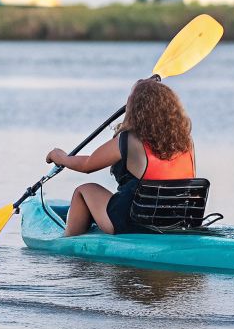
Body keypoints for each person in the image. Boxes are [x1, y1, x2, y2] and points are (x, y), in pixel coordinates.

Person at [45, 77, 196, 237]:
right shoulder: (186, 141)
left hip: (134, 222)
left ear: (135, 108)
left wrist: (60, 157)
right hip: (179, 219)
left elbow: (87, 165)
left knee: (84, 190)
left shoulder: (130, 139)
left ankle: (68, 245)